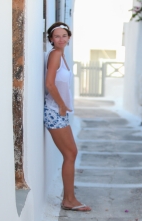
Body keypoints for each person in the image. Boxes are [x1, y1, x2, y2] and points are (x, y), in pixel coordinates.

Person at [44, 22, 91, 211]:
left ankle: (69, 199)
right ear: (51, 39)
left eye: (64, 36)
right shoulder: (55, 54)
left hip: (59, 111)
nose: (61, 39)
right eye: (57, 36)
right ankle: (69, 200)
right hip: (54, 111)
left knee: (71, 153)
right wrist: (62, 105)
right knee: (70, 153)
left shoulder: (61, 55)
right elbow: (49, 84)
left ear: (69, 38)